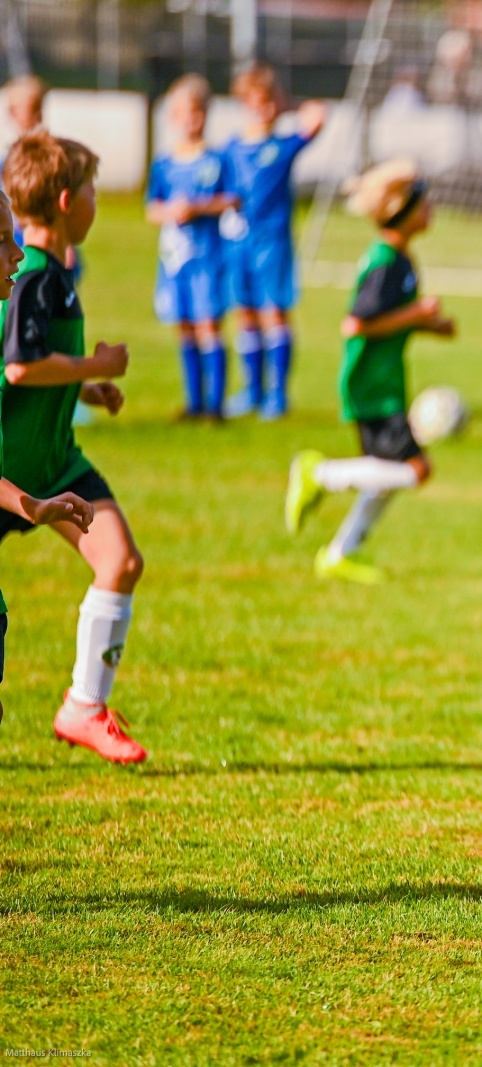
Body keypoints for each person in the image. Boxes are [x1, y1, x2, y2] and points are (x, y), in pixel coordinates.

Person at [0, 131, 145, 763]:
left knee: (121, 561)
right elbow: (21, 370)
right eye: (91, 189)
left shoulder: (56, 275)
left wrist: (87, 389)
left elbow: (39, 371)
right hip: (11, 471)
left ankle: (83, 706)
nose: (96, 199)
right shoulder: (31, 274)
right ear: (66, 200)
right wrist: (97, 362)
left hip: (54, 457)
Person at [283, 162, 456, 583]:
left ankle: (341, 553)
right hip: (372, 387)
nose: (431, 208)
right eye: (423, 202)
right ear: (404, 210)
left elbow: (385, 317)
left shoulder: (400, 258)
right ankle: (317, 473)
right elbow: (357, 323)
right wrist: (416, 313)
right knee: (416, 470)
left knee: (385, 474)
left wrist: (427, 325)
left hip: (385, 384)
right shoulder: (385, 263)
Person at [0, 185, 96, 725]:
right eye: (2, 241)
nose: (18, 252)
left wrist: (33, 506)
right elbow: (24, 369)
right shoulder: (37, 279)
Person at [221, 63, 326, 420]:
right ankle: (251, 390)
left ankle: (277, 394)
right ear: (243, 103)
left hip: (273, 243)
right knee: (245, 316)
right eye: (256, 101)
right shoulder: (231, 149)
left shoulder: (284, 145)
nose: (263, 107)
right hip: (237, 244)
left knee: (274, 313)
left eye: (269, 100)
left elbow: (317, 116)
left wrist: (288, 106)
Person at [146, 75, 236, 421]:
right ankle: (193, 402)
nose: (190, 120)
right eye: (182, 113)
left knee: (207, 324)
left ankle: (216, 405)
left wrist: (198, 207)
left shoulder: (216, 159)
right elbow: (151, 207)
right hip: (175, 261)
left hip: (207, 257)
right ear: (172, 117)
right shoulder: (164, 164)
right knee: (183, 324)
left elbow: (234, 199)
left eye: (196, 112)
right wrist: (170, 211)